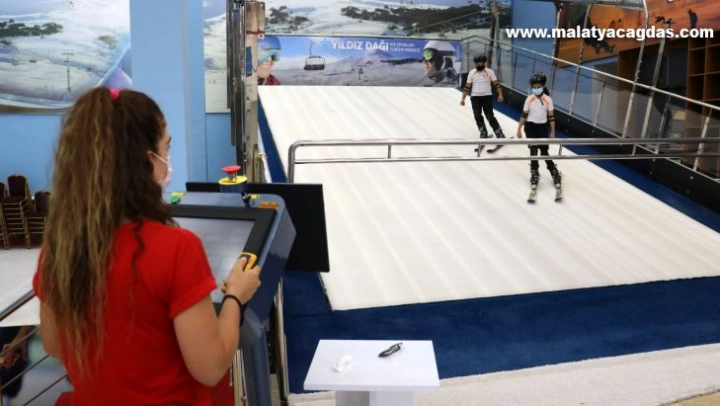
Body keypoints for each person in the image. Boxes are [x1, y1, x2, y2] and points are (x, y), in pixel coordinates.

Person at [32, 87, 262, 405]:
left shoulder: (60, 247)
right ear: (148, 161)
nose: (168, 160)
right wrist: (235, 295)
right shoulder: (177, 248)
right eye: (166, 148)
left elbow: (53, 343)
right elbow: (210, 368)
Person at [516, 72, 561, 191]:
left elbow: (551, 117)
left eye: (538, 86)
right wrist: (519, 128)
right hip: (530, 127)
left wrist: (552, 132)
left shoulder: (548, 100)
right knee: (533, 150)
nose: (536, 88)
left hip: (542, 128)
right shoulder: (529, 99)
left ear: (543, 86)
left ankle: (554, 171)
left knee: (544, 152)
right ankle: (534, 172)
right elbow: (524, 115)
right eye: (534, 87)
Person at [460, 54, 506, 153]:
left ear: (484, 63)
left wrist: (500, 95)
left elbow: (497, 84)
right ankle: (483, 132)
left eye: (481, 62)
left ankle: (500, 134)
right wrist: (463, 98)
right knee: (477, 116)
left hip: (487, 97)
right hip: (475, 97)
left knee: (490, 116)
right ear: (475, 63)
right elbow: (467, 86)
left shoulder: (490, 72)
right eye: (478, 63)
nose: (480, 64)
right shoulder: (472, 73)